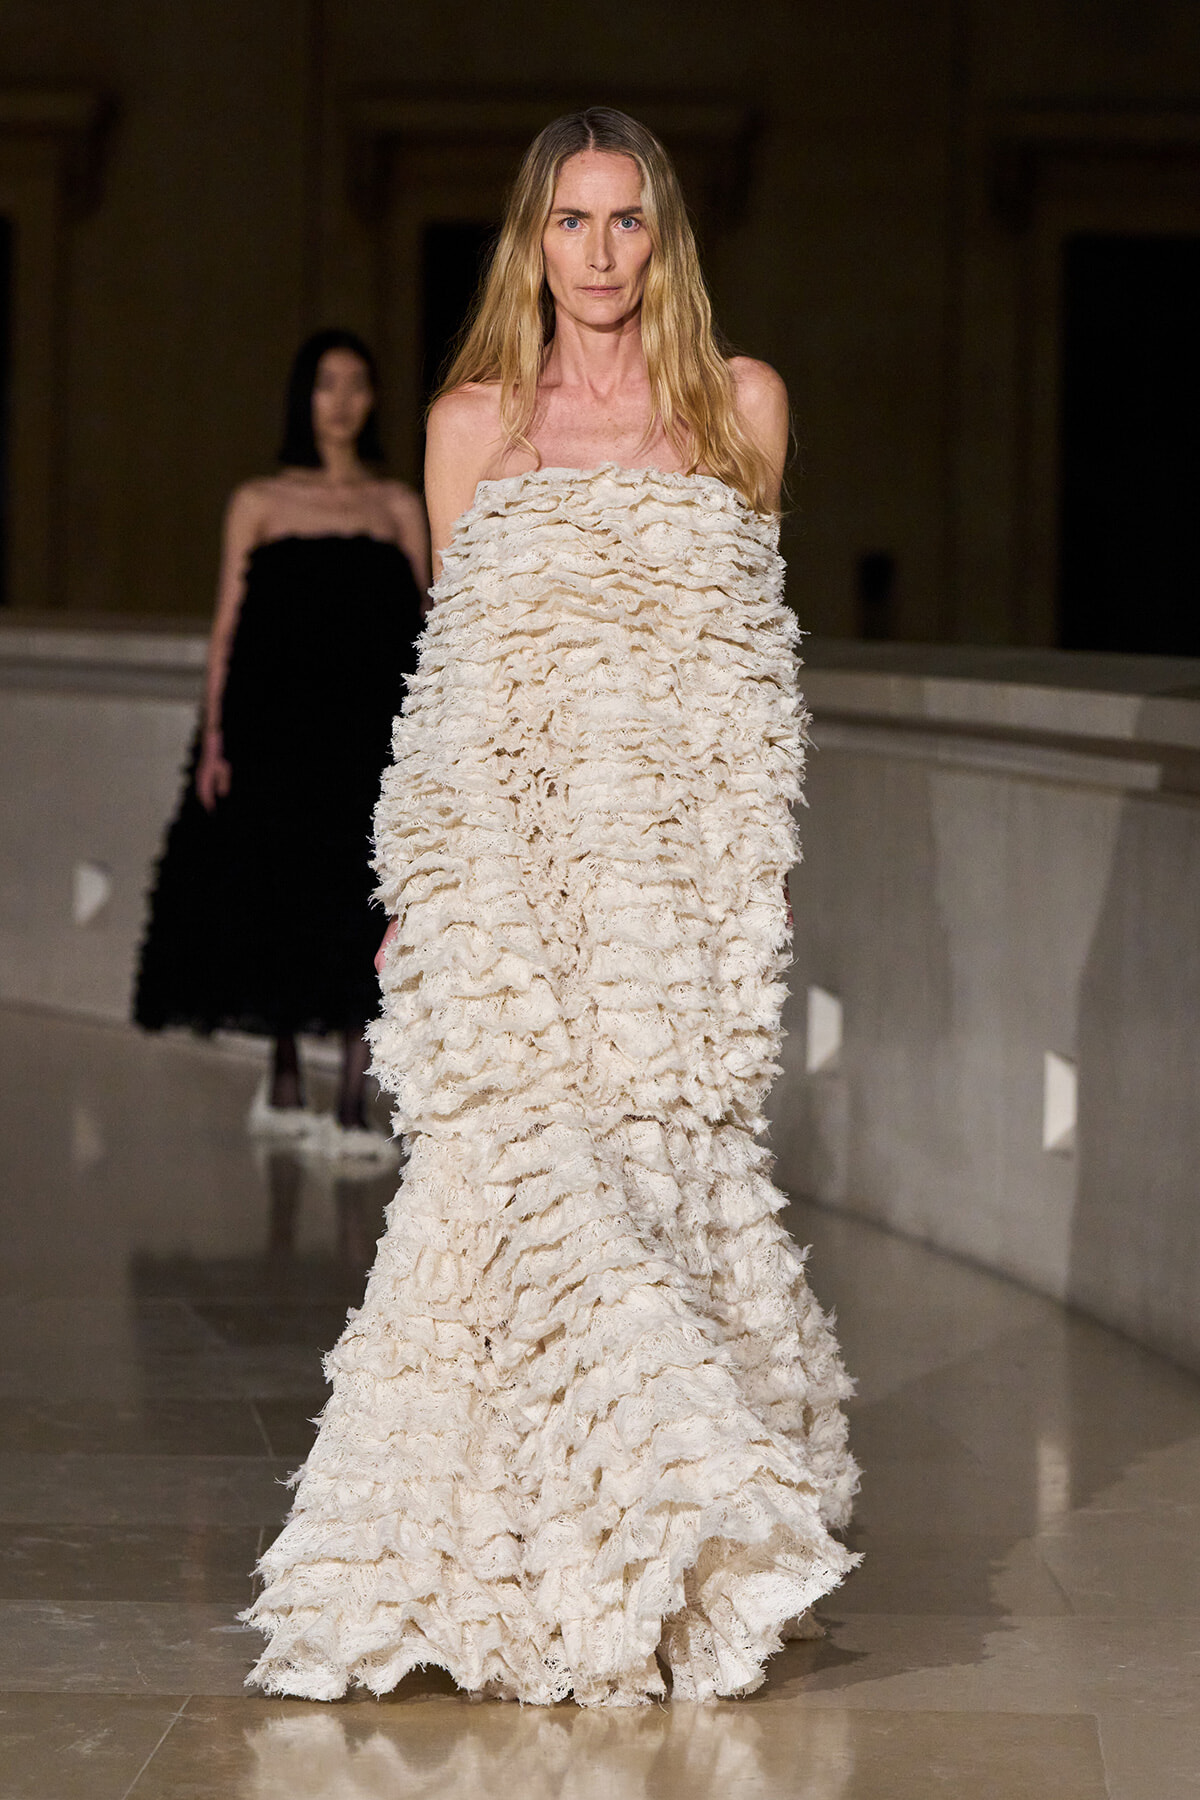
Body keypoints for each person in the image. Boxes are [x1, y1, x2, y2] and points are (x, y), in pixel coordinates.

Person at [245, 108, 858, 1704]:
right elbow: (455, 683)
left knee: (666, 1183)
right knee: (526, 1192)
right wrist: (422, 889)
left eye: (627, 220)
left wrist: (760, 871)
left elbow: (753, 665)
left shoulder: (740, 407)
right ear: (531, 240)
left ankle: (673, 1561)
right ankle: (529, 1569)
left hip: (674, 883)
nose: (599, 252)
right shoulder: (473, 426)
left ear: (665, 238)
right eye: (572, 221)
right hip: (511, 882)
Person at [134, 330, 429, 1156]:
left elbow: (428, 623)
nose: (342, 400)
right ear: (304, 395)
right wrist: (215, 739)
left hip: (369, 733)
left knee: (364, 898)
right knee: (281, 894)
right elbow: (228, 626)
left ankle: (352, 1103)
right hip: (277, 732)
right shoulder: (259, 502)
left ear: (373, 400)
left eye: (357, 384)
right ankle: (288, 1076)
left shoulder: (397, 506)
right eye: (327, 383)